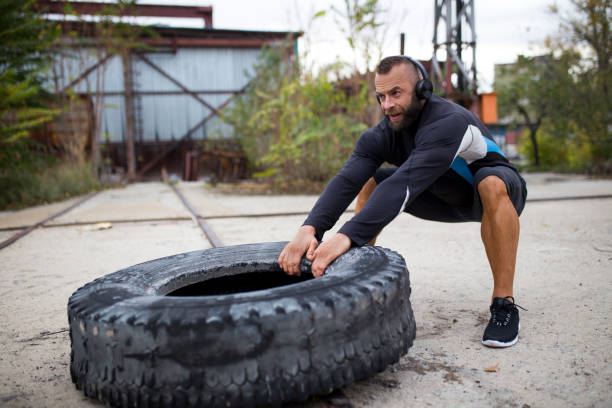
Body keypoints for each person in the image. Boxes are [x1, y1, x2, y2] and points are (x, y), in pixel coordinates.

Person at [277, 55, 527, 348]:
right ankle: (356, 280)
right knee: (372, 181)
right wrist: (310, 229)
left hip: (495, 194)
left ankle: (504, 303)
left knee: (490, 182)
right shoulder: (382, 135)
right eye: (381, 96)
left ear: (423, 90)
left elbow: (403, 184)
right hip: (440, 199)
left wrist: (346, 236)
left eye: (396, 93)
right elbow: (347, 180)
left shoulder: (449, 121)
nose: (387, 105)